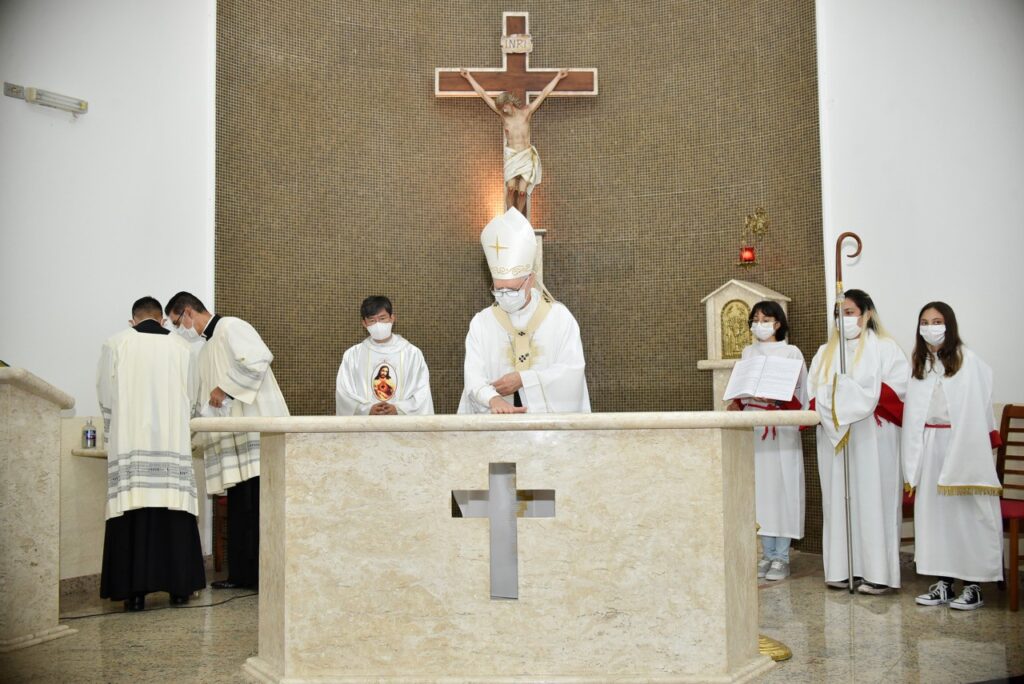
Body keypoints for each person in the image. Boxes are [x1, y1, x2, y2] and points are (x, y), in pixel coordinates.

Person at [165, 291, 289, 590]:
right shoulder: (205, 351)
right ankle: (241, 576)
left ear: (188, 312)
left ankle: (264, 575)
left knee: (258, 508)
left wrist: (225, 389)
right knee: (240, 510)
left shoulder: (232, 326)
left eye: (176, 322)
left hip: (256, 433)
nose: (179, 329)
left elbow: (259, 359)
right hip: (232, 441)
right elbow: (206, 400)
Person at [96, 296, 206, 611]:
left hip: (130, 443)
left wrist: (111, 434)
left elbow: (105, 393)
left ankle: (134, 595)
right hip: (172, 444)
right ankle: (180, 590)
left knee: (132, 512)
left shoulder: (115, 343)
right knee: (174, 513)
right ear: (160, 320)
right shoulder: (182, 348)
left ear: (133, 320)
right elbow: (193, 397)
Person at [903, 302, 1003, 610]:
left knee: (965, 516)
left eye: (937, 321)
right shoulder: (921, 363)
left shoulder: (967, 361)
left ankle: (973, 585)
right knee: (936, 518)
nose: (930, 326)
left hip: (961, 445)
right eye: (924, 321)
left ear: (949, 325)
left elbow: (978, 406)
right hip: (930, 444)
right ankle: (944, 583)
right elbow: (915, 412)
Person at [808, 289, 909, 594]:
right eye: (839, 314)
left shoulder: (885, 348)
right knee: (838, 502)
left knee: (873, 500)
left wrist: (847, 395)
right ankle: (841, 569)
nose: (844, 319)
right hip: (835, 439)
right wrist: (844, 396)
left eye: (850, 312)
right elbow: (814, 397)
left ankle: (879, 574)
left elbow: (897, 393)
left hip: (873, 436)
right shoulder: (825, 352)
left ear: (866, 315)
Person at [459, 207, 589, 414]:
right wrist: (493, 400)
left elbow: (571, 374)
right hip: (496, 429)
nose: (504, 295)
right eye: (498, 289)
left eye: (511, 289)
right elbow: (473, 374)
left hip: (545, 434)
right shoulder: (482, 322)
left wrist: (523, 380)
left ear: (530, 281)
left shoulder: (560, 319)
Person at [727, 301, 807, 581]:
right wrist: (739, 400)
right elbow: (742, 386)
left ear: (778, 323)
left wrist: (776, 398)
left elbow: (800, 393)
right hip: (755, 427)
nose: (759, 323)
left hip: (780, 427)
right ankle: (766, 553)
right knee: (760, 492)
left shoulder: (791, 352)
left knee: (781, 490)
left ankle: (781, 556)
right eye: (755, 319)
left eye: (765, 318)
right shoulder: (748, 352)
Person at [459, 68, 569, 214]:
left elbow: (544, 94)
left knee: (522, 192)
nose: (503, 111)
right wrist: (468, 77)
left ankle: (519, 218)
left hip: (525, 154)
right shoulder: (503, 116)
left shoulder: (526, 112)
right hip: (511, 155)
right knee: (511, 188)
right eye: (501, 109)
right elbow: (483, 95)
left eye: (504, 107)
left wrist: (558, 77)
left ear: (509, 102)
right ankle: (511, 216)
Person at [336, 296, 434, 416]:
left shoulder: (412, 354)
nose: (378, 324)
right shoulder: (352, 356)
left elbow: (422, 393)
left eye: (382, 318)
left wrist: (399, 409)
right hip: (366, 429)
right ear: (364, 323)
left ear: (392, 318)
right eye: (372, 320)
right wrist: (366, 409)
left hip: (401, 429)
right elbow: (344, 393)